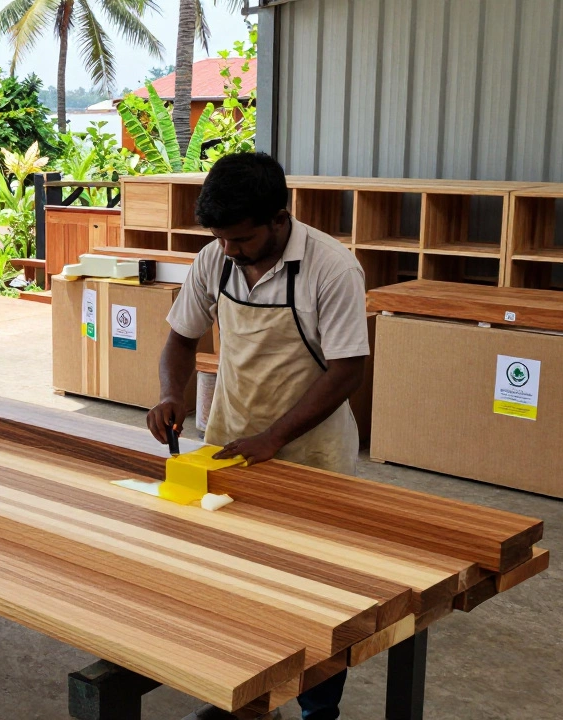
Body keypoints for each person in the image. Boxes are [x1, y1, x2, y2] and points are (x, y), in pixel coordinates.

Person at [146, 152, 369, 720]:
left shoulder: (331, 268)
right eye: (220, 238)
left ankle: (319, 709)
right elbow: (179, 340)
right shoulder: (213, 260)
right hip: (231, 441)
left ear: (279, 217)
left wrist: (275, 438)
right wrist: (171, 393)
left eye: (241, 239)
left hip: (312, 450)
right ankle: (245, 701)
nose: (229, 250)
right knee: (236, 580)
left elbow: (347, 368)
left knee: (316, 590)